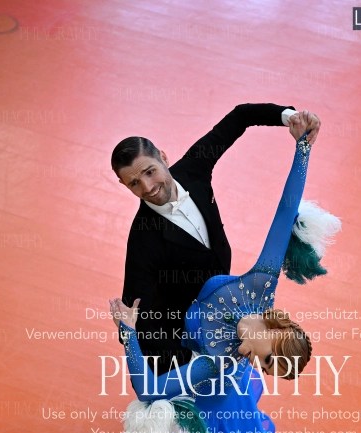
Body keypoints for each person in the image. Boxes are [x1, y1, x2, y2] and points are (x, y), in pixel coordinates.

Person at [109, 114, 340, 433]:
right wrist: (302, 148)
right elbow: (286, 209)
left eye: (260, 365)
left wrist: (128, 336)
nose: (249, 360)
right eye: (262, 356)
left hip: (209, 391)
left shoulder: (218, 358)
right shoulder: (261, 284)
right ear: (276, 329)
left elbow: (150, 392)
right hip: (195, 363)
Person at [112, 103, 321, 375]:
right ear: (124, 184)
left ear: (163, 157)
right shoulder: (143, 241)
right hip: (186, 333)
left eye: (150, 172)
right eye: (134, 183)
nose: (148, 187)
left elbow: (241, 116)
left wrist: (295, 125)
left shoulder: (194, 168)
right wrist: (184, 361)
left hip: (223, 311)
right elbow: (136, 319)